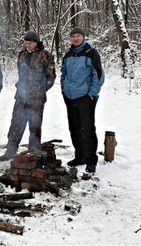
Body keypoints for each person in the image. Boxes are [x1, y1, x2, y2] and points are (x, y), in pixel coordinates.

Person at [0, 31, 56, 161]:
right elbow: (21, 74)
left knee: (35, 125)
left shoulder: (45, 56)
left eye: (30, 43)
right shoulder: (21, 55)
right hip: (21, 96)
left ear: (36, 43)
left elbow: (51, 77)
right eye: (26, 42)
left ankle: (33, 152)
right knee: (16, 123)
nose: (28, 45)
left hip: (36, 98)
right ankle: (11, 150)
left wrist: (40, 89)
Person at [61, 27, 105, 174]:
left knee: (87, 129)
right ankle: (79, 156)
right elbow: (63, 74)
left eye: (78, 35)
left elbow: (98, 75)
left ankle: (90, 161)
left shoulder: (91, 53)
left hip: (85, 97)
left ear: (83, 37)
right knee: (74, 128)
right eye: (73, 36)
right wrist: (64, 90)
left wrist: (91, 94)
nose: (75, 38)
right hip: (70, 97)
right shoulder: (68, 55)